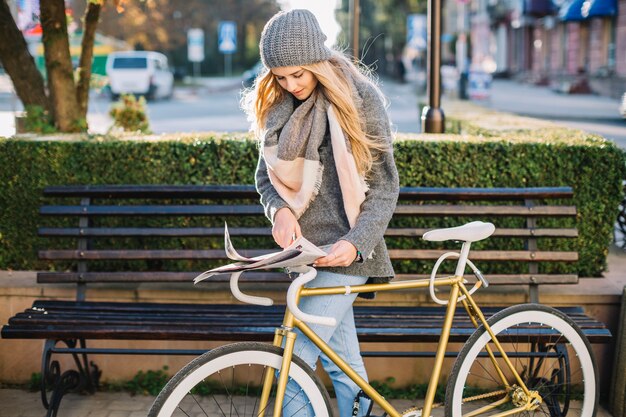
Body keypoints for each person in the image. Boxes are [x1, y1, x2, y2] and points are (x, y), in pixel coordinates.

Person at [243, 9, 399, 417]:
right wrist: (278, 211)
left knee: (292, 363)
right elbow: (266, 179)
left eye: (298, 74)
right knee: (344, 368)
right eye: (279, 76)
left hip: (347, 256)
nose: (289, 85)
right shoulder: (279, 105)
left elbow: (385, 188)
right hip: (306, 257)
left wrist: (355, 244)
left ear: (317, 61)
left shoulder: (359, 100)